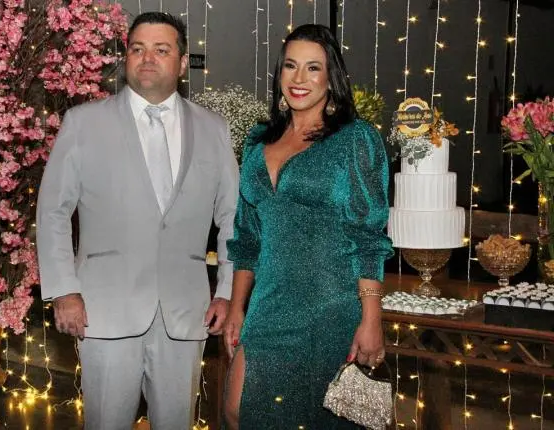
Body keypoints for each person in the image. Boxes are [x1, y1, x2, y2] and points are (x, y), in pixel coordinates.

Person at [36, 12, 239, 430]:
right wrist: (64, 290)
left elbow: (232, 216)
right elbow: (53, 210)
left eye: (161, 50)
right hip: (102, 310)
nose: (147, 58)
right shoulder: (83, 122)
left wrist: (226, 291)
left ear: (182, 63)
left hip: (186, 312)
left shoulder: (213, 128)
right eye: (137, 49)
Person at [222, 24, 394, 429]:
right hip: (268, 304)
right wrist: (236, 307)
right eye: (290, 66)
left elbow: (369, 237)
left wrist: (371, 319)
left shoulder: (355, 139)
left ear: (331, 77)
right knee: (237, 411)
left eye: (313, 68)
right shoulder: (258, 140)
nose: (299, 78)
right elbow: (247, 236)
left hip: (331, 310)